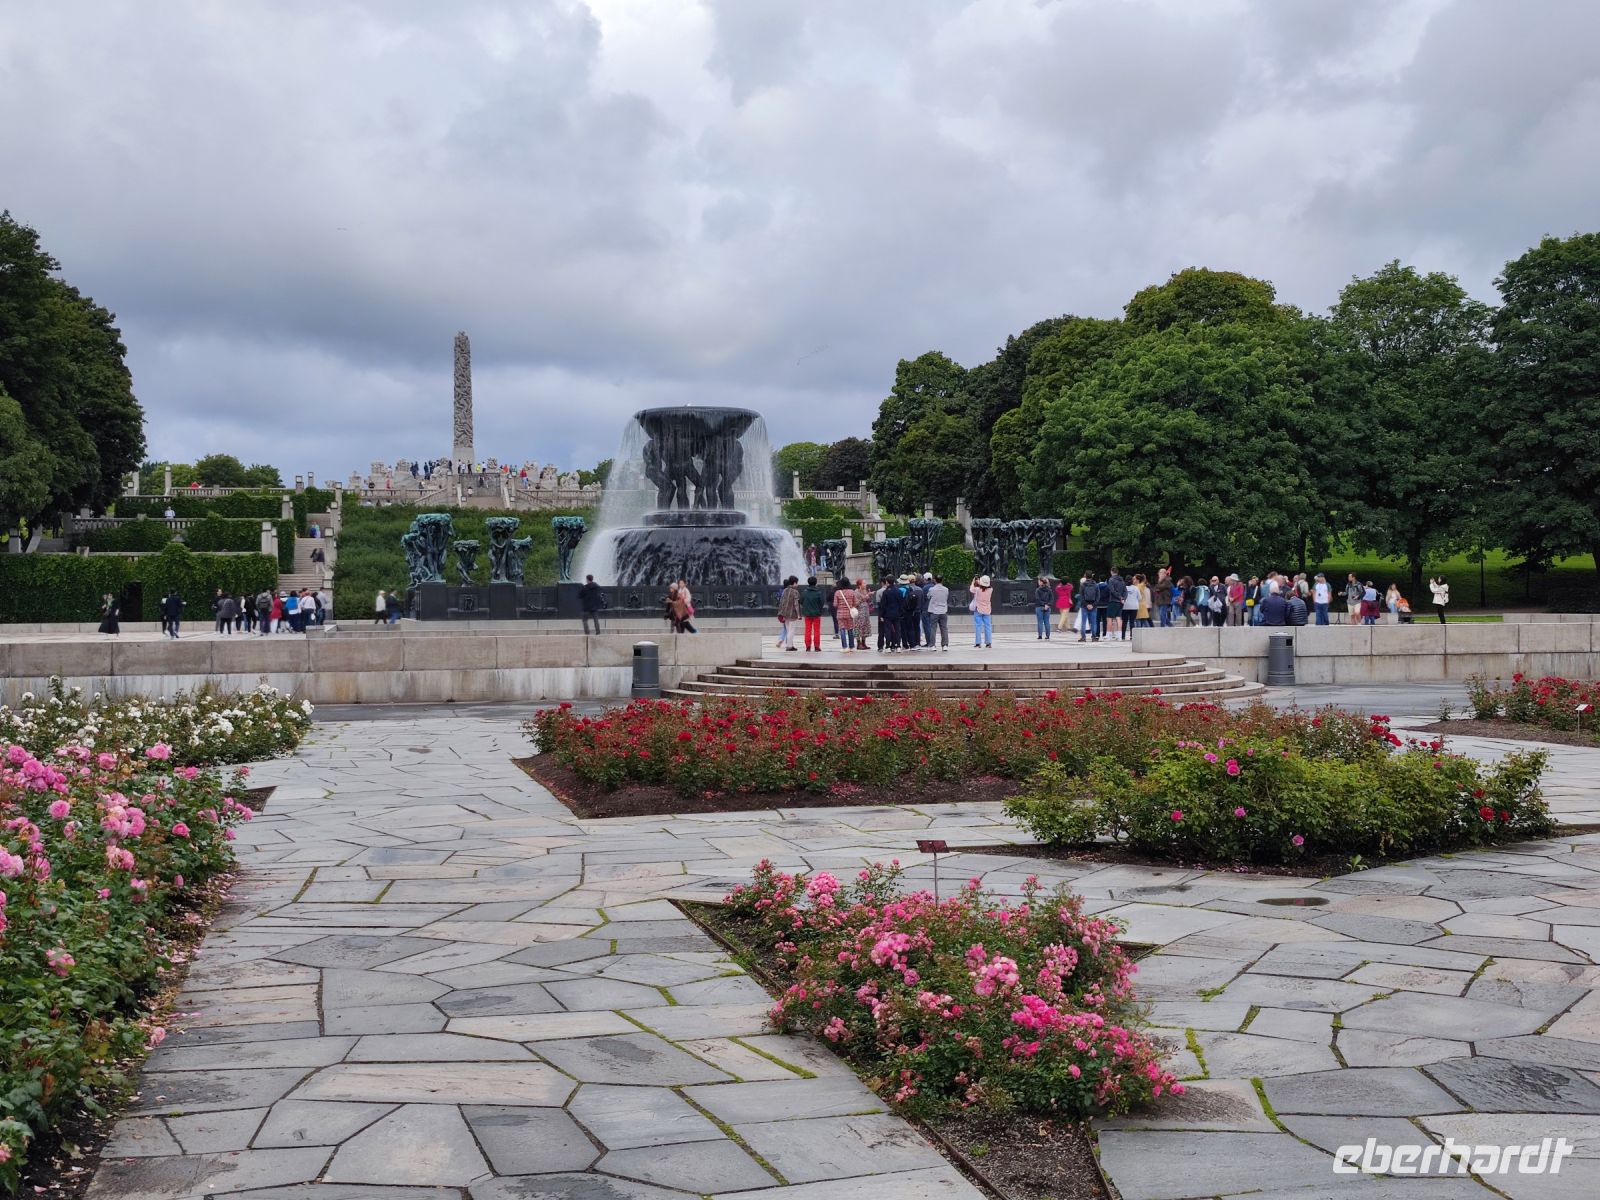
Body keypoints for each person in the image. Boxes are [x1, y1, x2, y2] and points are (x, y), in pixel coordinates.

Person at [800, 576, 826, 652]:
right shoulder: (819, 592)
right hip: (817, 614)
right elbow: (822, 603)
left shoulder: (804, 592)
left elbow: (801, 601)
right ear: (815, 583)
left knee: (807, 630)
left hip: (807, 614)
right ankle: (816, 646)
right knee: (817, 630)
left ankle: (808, 646)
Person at [877, 576, 902, 651]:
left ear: (887, 582)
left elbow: (883, 605)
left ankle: (888, 646)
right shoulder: (898, 591)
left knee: (887, 630)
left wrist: (881, 615)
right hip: (897, 613)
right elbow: (901, 603)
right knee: (897, 630)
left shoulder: (886, 592)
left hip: (887, 614)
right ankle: (898, 646)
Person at [970, 574, 993, 648]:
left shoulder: (977, 590)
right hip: (987, 610)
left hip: (978, 610)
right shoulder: (990, 590)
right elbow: (986, 586)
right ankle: (988, 642)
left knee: (978, 626)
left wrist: (974, 581)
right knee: (988, 626)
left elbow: (971, 589)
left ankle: (978, 643)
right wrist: (980, 582)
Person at [926, 575, 950, 649]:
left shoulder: (931, 589)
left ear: (935, 580)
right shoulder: (946, 589)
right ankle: (945, 645)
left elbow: (928, 596)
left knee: (933, 628)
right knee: (944, 628)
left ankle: (933, 645)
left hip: (934, 611)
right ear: (942, 580)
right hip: (943, 611)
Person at [832, 577, 856, 650]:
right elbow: (855, 603)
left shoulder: (838, 592)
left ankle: (844, 647)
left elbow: (835, 604)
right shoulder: (852, 592)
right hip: (849, 614)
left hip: (840, 614)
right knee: (850, 629)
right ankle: (851, 646)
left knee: (842, 629)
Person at [777, 576, 800, 650]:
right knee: (791, 630)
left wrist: (781, 613)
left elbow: (781, 602)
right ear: (794, 583)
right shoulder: (795, 592)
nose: (797, 585)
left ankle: (790, 645)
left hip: (785, 614)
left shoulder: (785, 590)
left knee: (788, 629)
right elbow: (796, 604)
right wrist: (799, 614)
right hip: (792, 614)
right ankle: (789, 646)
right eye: (797, 583)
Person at [1105, 568, 1126, 639]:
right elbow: (1125, 591)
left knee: (1109, 618)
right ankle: (1119, 635)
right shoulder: (1122, 580)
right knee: (1118, 617)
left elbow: (1112, 591)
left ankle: (1109, 634)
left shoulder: (1111, 580)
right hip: (1120, 602)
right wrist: (1123, 599)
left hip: (1113, 601)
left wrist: (1120, 597)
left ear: (1111, 572)